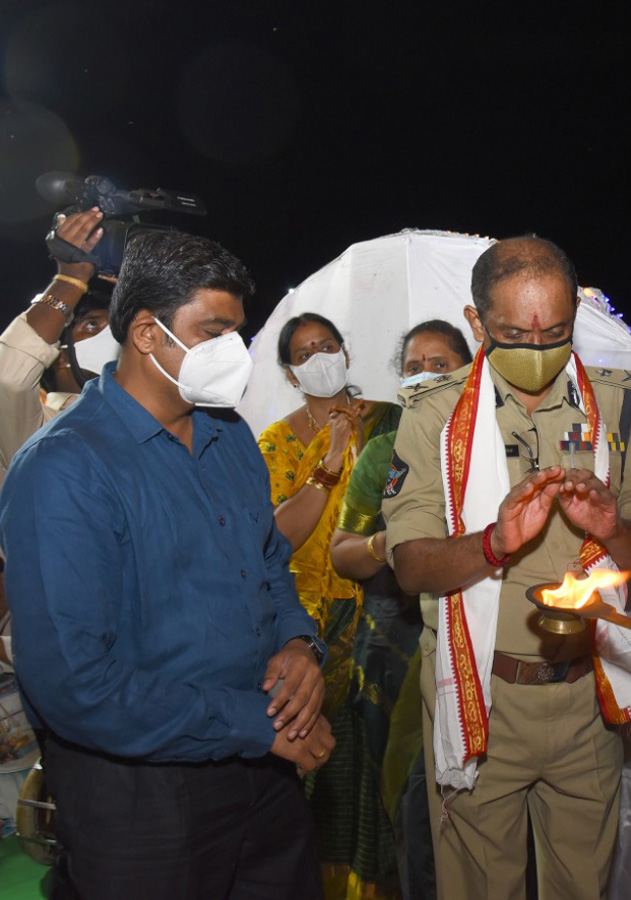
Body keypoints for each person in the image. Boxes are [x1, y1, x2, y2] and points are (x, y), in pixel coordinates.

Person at [0, 231, 333, 899]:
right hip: (139, 798)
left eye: (239, 332)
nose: (234, 353)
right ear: (148, 334)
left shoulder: (228, 435)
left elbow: (268, 565)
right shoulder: (65, 469)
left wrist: (299, 643)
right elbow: (75, 685)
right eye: (213, 332)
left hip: (261, 777)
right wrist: (252, 726)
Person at [383, 236, 631, 900]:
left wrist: (613, 530)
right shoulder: (434, 416)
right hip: (482, 696)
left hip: (586, 701)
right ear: (477, 323)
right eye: (516, 334)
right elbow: (409, 564)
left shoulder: (617, 405)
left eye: (558, 333)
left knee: (584, 885)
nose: (539, 351)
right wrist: (492, 545)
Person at [257, 312, 400, 899]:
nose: (320, 357)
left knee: (384, 760)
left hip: (390, 609)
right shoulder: (276, 441)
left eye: (327, 345)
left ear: (345, 351)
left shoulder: (393, 422)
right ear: (292, 373)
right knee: (323, 760)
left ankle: (385, 881)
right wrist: (333, 454)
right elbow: (278, 540)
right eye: (304, 352)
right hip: (310, 622)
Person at [328, 319, 472, 900]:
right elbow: (342, 554)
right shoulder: (384, 454)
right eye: (413, 368)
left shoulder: (494, 442)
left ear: (471, 367)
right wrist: (389, 544)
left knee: (475, 802)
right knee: (410, 802)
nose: (426, 377)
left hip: (474, 637)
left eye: (441, 365)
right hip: (395, 642)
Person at [0, 208, 119, 481]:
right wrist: (70, 279)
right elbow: (10, 378)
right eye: (92, 325)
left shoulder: (145, 417)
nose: (111, 334)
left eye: (116, 325)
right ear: (60, 355)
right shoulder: (43, 424)